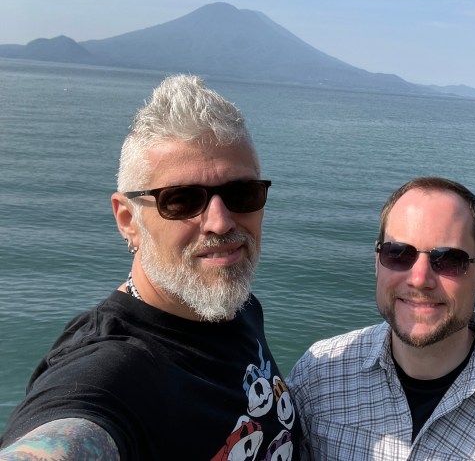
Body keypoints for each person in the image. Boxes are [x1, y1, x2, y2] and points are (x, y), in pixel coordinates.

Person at [0, 75, 299, 460]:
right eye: (181, 200)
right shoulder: (115, 369)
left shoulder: (237, 307)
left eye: (243, 193)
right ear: (127, 219)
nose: (221, 222)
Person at [287, 176, 475, 460]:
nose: (419, 279)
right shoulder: (319, 374)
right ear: (377, 262)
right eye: (398, 253)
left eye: (449, 260)